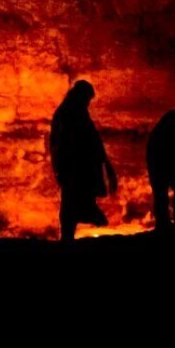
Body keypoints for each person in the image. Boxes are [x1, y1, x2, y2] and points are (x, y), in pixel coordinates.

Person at [49, 79, 117, 241]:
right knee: (71, 204)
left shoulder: (74, 111)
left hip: (76, 167)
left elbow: (91, 138)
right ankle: (68, 236)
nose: (88, 103)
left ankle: (69, 234)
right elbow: (67, 142)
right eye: (87, 99)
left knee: (73, 202)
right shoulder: (69, 113)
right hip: (73, 167)